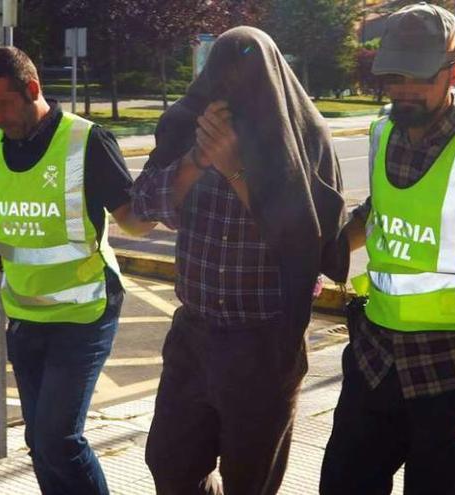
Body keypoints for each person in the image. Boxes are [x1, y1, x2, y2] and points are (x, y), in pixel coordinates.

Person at [320, 4, 455, 494]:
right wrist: (328, 251)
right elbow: (376, 212)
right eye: (394, 74)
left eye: (418, 75)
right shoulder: (383, 133)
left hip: (450, 376)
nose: (403, 88)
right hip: (373, 362)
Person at [0, 47, 155, 495]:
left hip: (85, 312)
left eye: (2, 105)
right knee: (38, 440)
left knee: (58, 439)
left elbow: (134, 221)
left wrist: (169, 189)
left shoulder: (87, 141)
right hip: (25, 315)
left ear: (32, 89)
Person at [132, 27, 347, 494]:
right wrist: (197, 158)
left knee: (250, 481)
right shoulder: (186, 126)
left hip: (264, 342)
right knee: (170, 465)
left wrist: (234, 168)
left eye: (244, 82)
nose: (229, 94)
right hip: (194, 334)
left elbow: (308, 243)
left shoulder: (304, 136)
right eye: (220, 81)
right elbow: (143, 206)